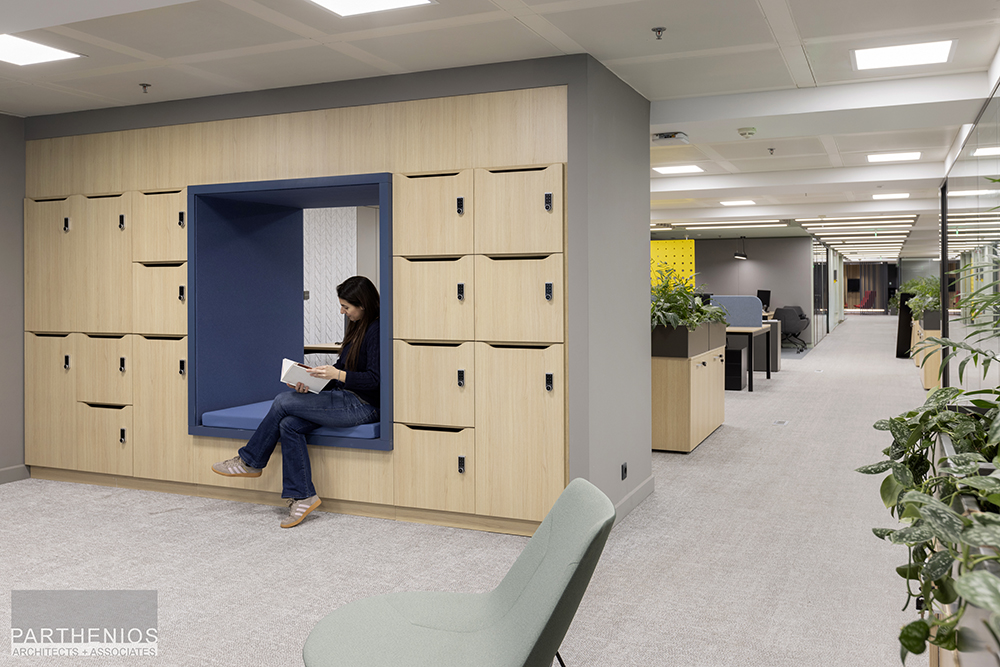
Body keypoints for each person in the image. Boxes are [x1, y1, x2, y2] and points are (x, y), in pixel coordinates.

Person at [212, 275, 380, 528]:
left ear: (363, 304)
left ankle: (250, 461)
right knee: (289, 423)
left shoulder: (377, 330)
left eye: (346, 307)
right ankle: (302, 497)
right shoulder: (356, 328)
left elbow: (376, 380)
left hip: (364, 405)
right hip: (344, 397)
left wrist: (339, 375)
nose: (342, 311)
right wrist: (313, 382)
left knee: (281, 401)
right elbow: (342, 371)